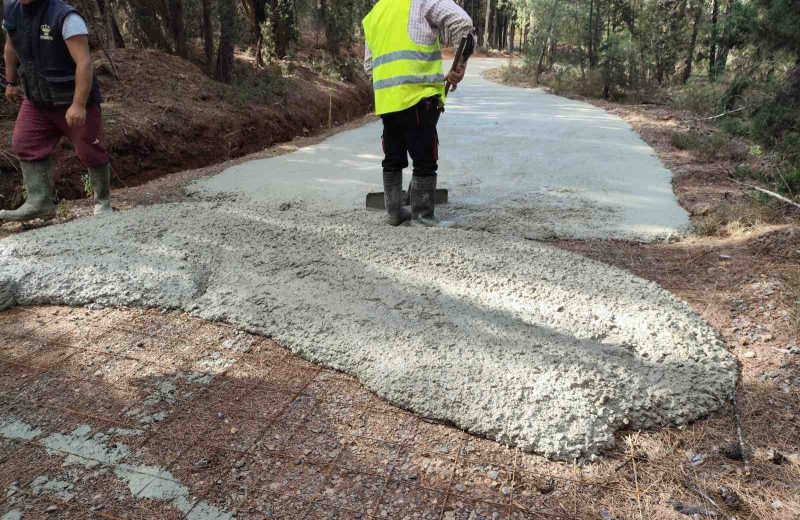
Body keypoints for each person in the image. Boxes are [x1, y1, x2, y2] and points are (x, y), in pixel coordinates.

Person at [363, 0, 475, 226]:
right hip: (418, 98)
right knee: (424, 157)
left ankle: (394, 213)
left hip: (388, 102)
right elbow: (463, 24)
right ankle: (423, 217)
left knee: (393, 157)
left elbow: (368, 66)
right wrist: (459, 66)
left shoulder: (374, 14)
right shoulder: (421, 1)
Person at [1, 0, 112, 221]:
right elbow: (10, 46)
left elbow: (84, 63)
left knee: (88, 149)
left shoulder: (65, 17)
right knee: (25, 142)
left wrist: (79, 105)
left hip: (72, 99)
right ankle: (39, 202)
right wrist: (11, 83)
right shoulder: (12, 10)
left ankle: (102, 202)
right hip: (37, 99)